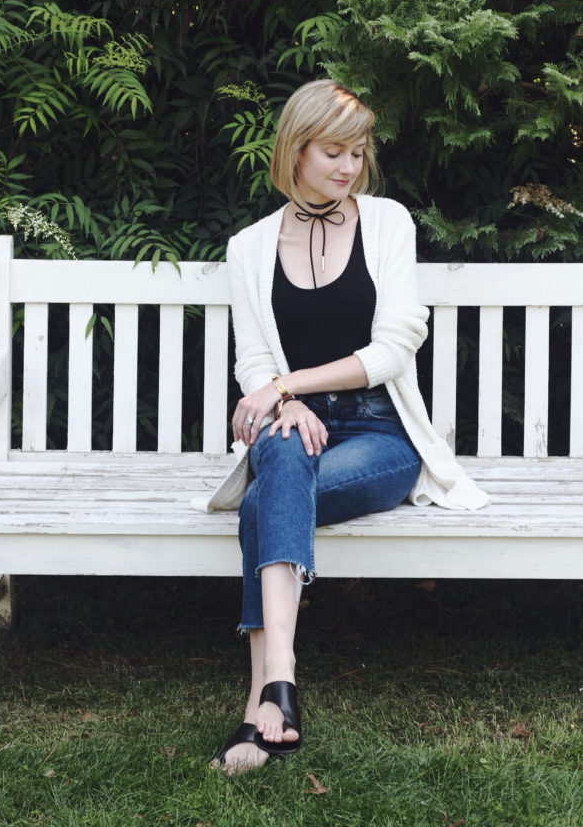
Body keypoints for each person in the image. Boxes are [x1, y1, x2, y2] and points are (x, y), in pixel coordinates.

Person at [208, 79, 489, 775]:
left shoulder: (387, 223)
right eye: (332, 151)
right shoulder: (248, 246)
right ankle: (277, 688)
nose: (347, 167)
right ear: (294, 150)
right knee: (280, 458)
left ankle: (260, 698)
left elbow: (395, 347)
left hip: (377, 435)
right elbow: (252, 358)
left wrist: (289, 385)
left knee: (263, 499)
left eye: (357, 153)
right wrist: (280, 403)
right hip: (289, 431)